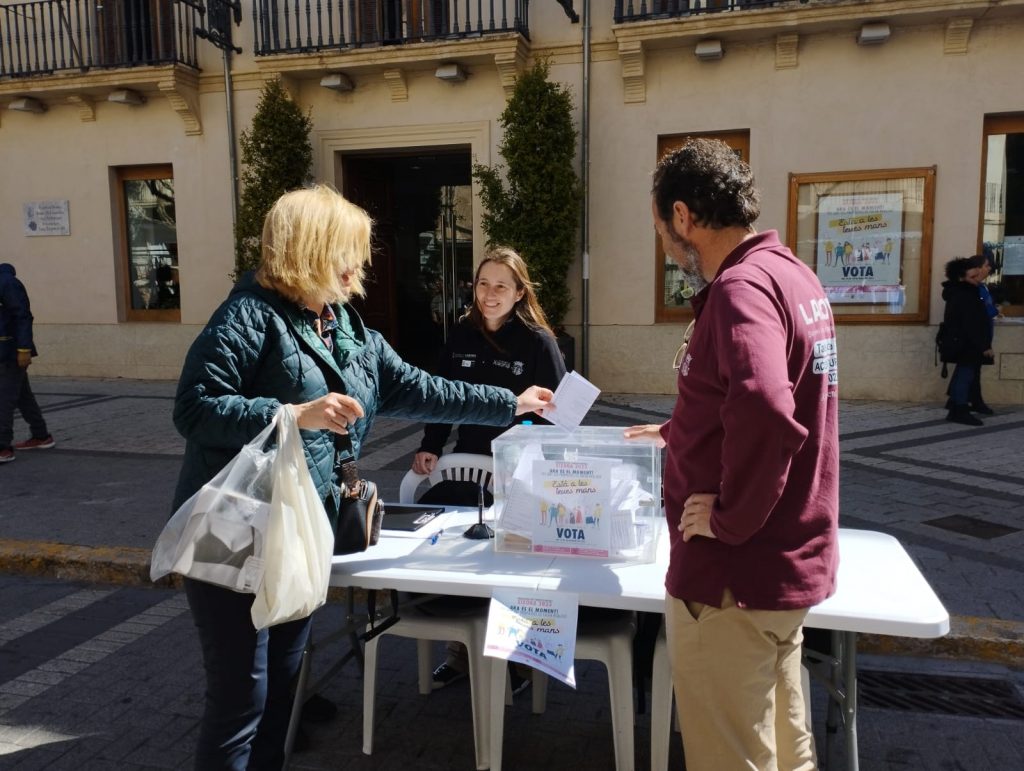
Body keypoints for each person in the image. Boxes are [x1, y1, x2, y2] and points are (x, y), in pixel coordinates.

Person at [171, 185, 553, 770]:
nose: (360, 266)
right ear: (313, 250)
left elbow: (422, 389)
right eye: (350, 251)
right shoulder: (248, 316)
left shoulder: (343, 323)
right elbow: (194, 408)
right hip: (237, 533)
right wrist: (292, 415)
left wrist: (510, 402)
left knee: (283, 694)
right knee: (238, 702)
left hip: (300, 535)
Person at [624, 138, 839, 771]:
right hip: (778, 573)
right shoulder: (790, 275)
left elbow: (768, 409)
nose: (665, 245)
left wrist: (728, 520)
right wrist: (683, 430)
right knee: (784, 749)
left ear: (684, 217)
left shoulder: (741, 289)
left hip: (731, 582)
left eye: (663, 229)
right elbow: (765, 395)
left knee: (732, 759)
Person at [410, 246, 566, 690]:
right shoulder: (460, 335)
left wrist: (532, 459)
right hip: (466, 473)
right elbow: (442, 397)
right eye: (483, 284)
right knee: (449, 549)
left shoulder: (539, 342)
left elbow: (560, 415)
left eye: (501, 286)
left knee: (509, 565)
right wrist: (430, 446)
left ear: (519, 292)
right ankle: (459, 652)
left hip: (519, 476)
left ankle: (516, 661)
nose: (490, 293)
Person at [0, 263, 55, 464]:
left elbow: (22, 316)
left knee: (3, 399)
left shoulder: (7, 283)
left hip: (10, 352)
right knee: (23, 396)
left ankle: (3, 447)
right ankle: (41, 436)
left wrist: (23, 349)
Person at [940, 256, 992, 427]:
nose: (977, 274)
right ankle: (960, 409)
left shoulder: (965, 291)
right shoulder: (964, 294)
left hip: (964, 341)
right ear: (961, 276)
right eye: (972, 273)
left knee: (965, 374)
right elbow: (970, 323)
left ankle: (956, 407)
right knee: (965, 375)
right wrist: (984, 345)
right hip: (965, 343)